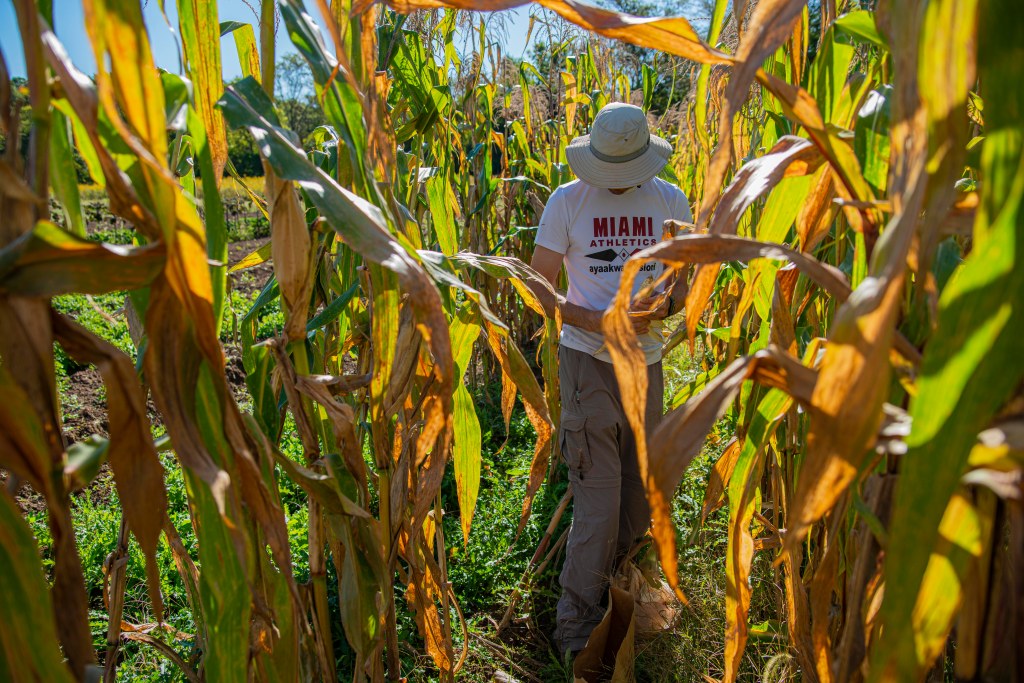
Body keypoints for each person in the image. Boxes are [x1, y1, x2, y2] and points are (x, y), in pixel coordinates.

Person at [528, 102, 692, 659]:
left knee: (638, 499)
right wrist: (594, 319)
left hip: (646, 365)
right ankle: (575, 631)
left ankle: (620, 602)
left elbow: (682, 286)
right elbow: (536, 283)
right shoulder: (567, 201)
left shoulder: (670, 201)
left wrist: (664, 306)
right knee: (598, 506)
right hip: (588, 364)